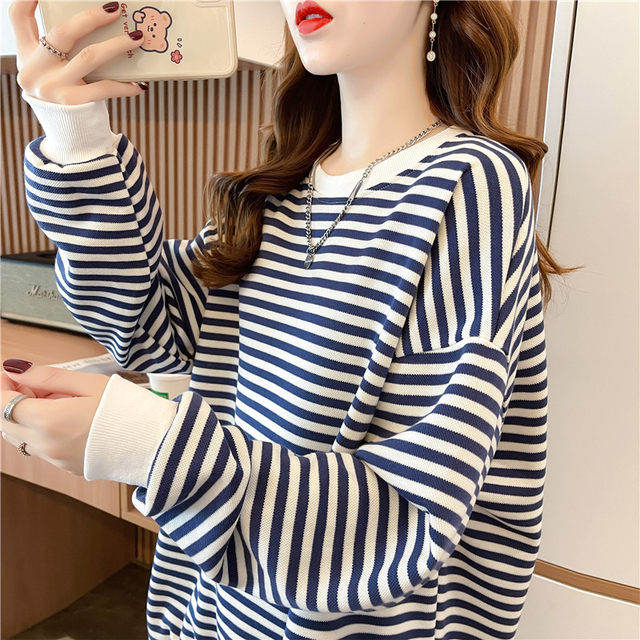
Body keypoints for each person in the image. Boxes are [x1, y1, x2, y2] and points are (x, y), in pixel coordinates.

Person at [2, 0, 566, 637]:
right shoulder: (282, 192)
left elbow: (410, 512)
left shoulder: (470, 183)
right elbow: (145, 325)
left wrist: (147, 443)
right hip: (212, 614)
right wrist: (75, 136)